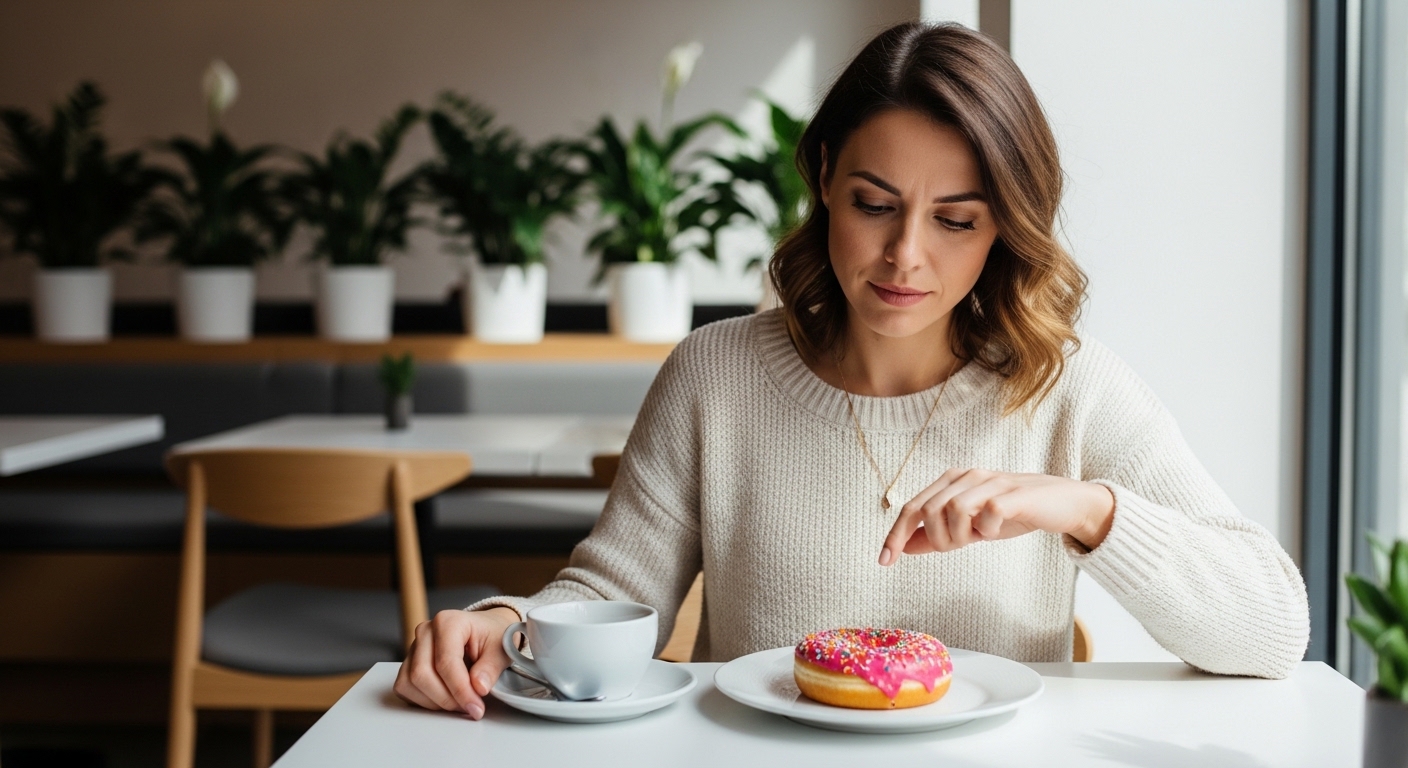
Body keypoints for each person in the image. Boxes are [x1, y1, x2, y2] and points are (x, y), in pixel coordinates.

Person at [395, 21, 1310, 719]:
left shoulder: (1068, 387)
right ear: (826, 175)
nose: (904, 256)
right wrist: (499, 622)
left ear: (1004, 229)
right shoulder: (715, 376)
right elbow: (607, 594)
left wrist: (1084, 508)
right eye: (875, 204)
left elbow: (1274, 627)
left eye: (957, 220)